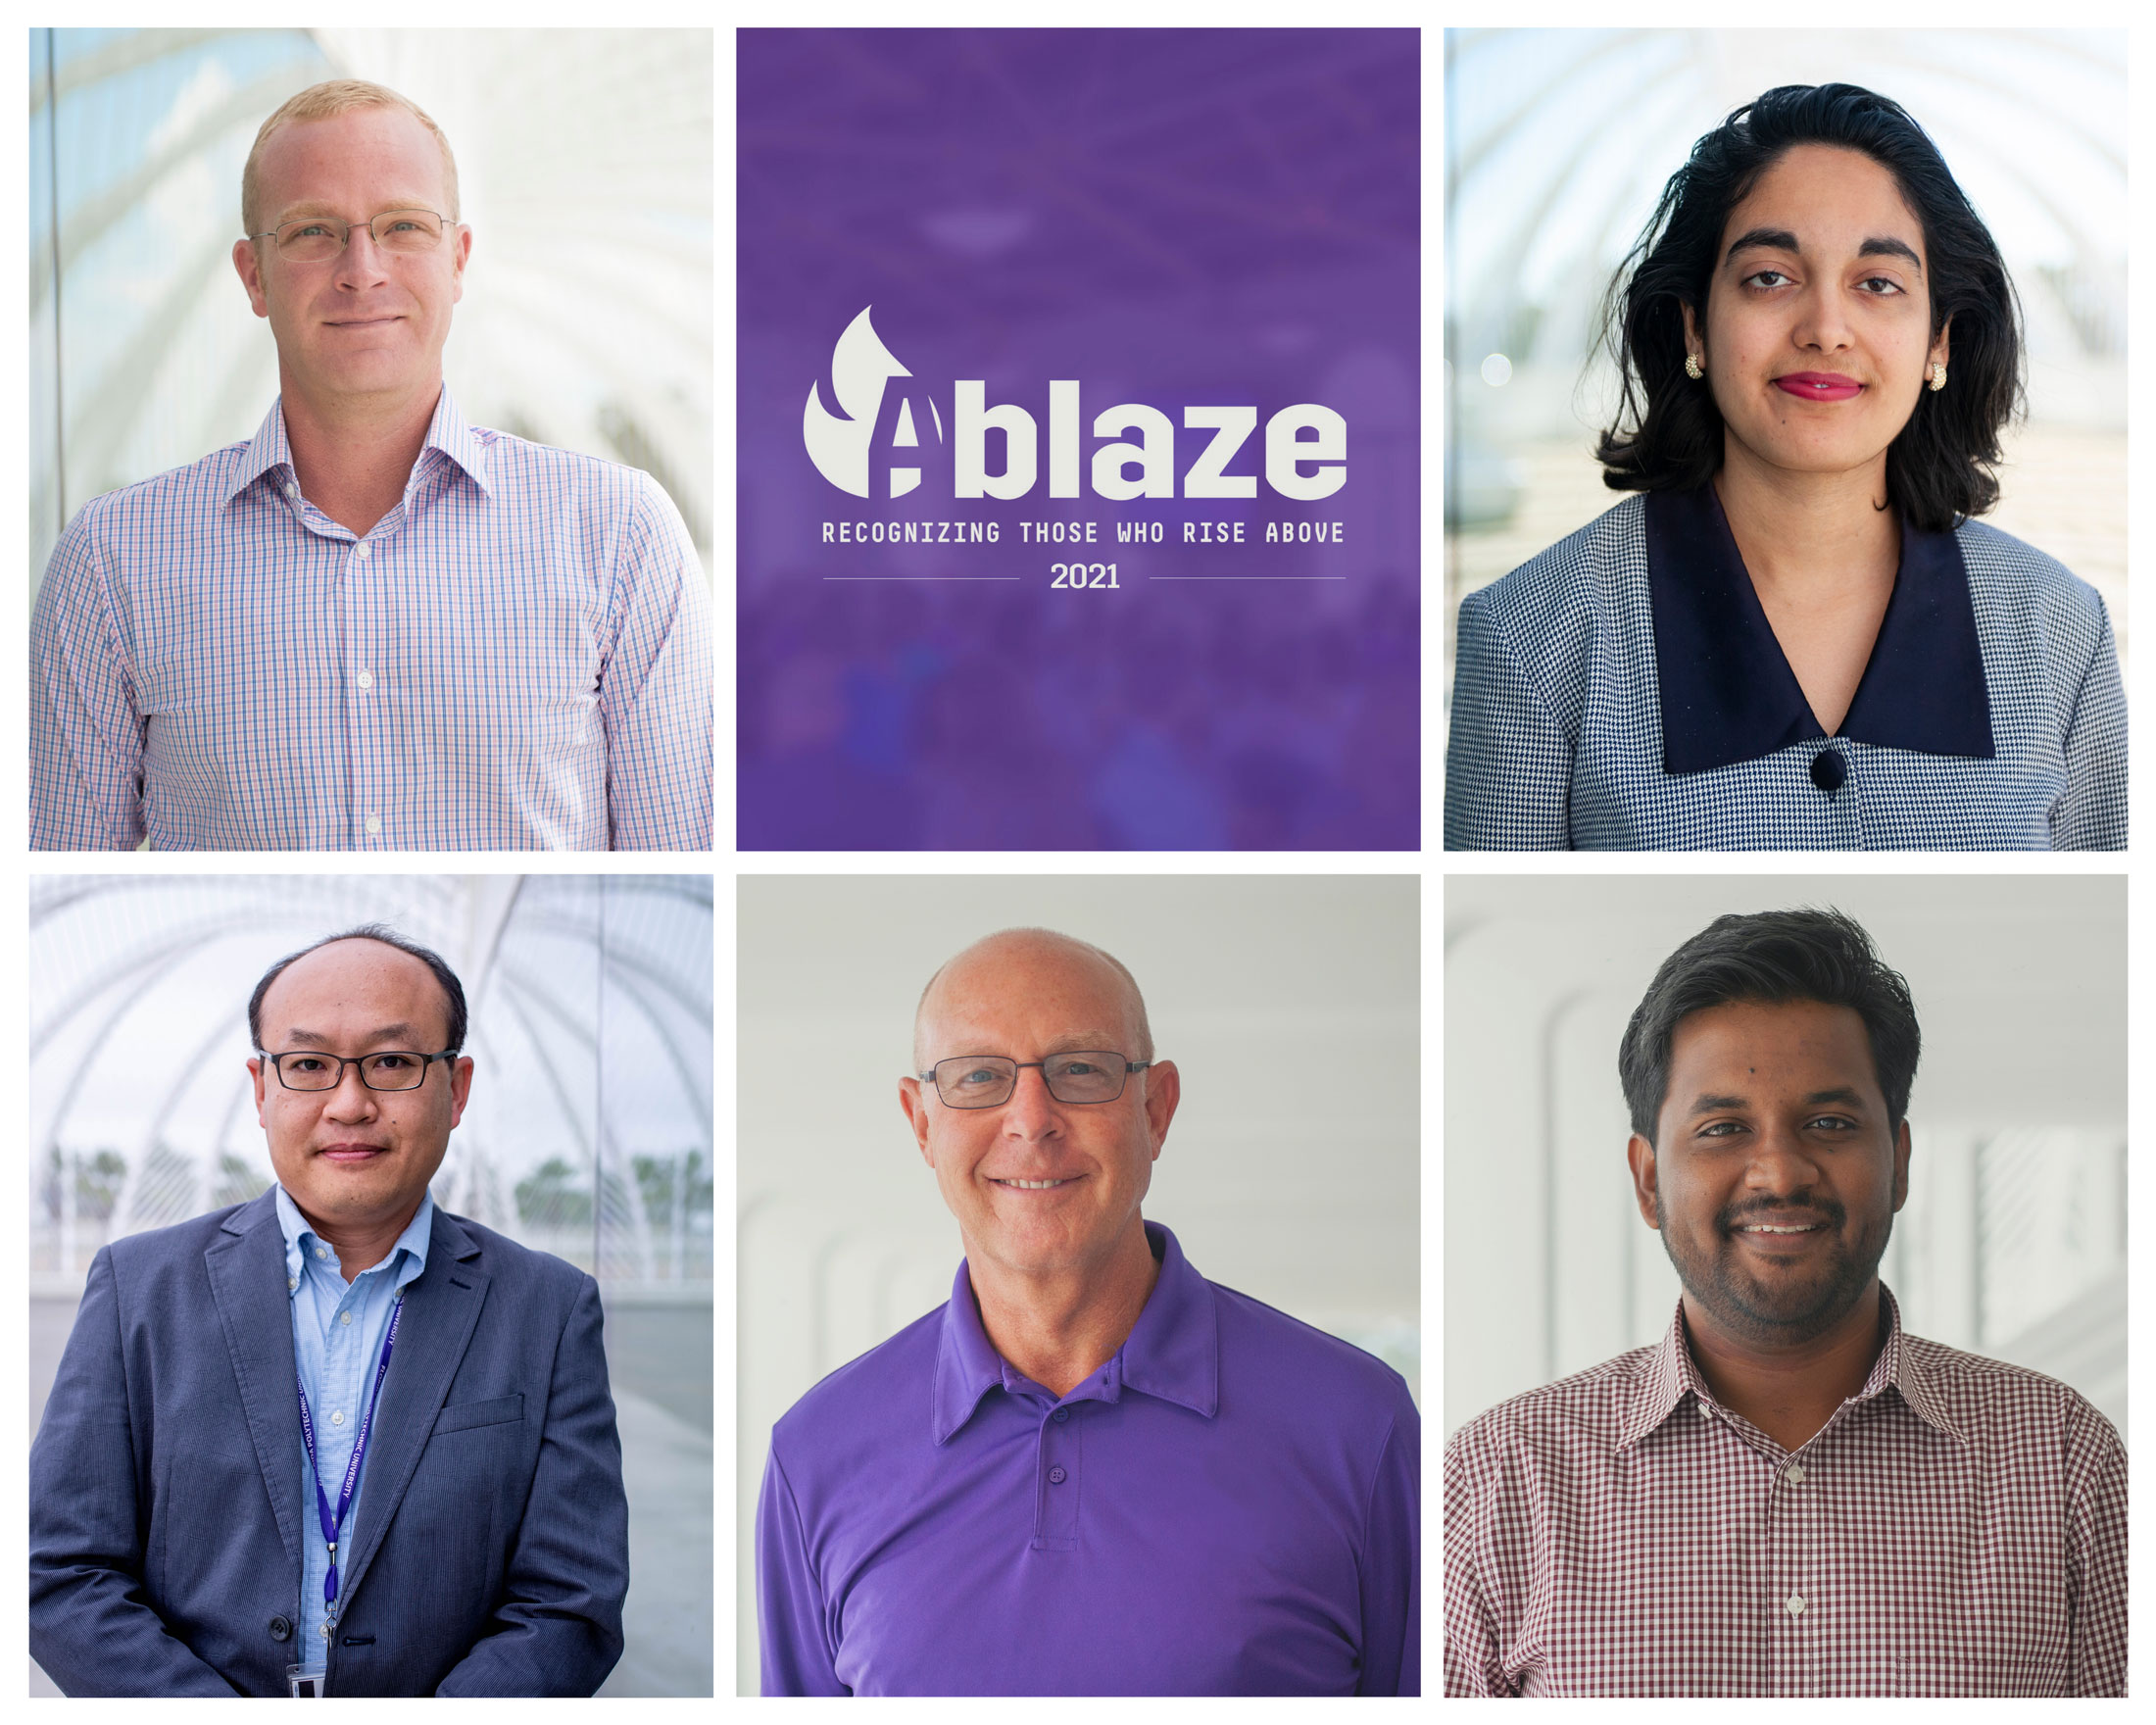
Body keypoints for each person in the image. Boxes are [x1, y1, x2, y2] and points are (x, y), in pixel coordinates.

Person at [1444, 909, 2127, 1697]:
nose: (1778, 1172)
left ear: (1899, 1162)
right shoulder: (1501, 1478)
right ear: (1648, 1180)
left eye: (1830, 1123)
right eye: (1724, 1127)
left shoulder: (2064, 1461)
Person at [28, 78, 710, 851]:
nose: (362, 268)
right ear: (253, 275)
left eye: (403, 226)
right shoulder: (111, 563)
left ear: (457, 260)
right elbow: (53, 906)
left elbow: (681, 882)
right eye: (314, 231)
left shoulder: (620, 535)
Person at [1445, 84, 2126, 851]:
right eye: (1770, 276)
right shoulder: (1530, 638)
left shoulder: (2062, 630)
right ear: (1695, 324)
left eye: (1878, 284)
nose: (1827, 330)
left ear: (1940, 340)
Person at [755, 928, 1420, 1696]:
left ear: (1157, 1108)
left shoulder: (1358, 1428)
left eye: (1081, 1070)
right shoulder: (814, 1456)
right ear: (921, 1124)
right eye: (978, 1077)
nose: (1032, 1119)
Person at [29, 927, 629, 1697]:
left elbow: (570, 1602)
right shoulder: (139, 1288)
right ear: (261, 1088)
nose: (350, 1104)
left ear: (458, 1089)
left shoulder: (548, 1308)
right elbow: (57, 1566)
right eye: (309, 1064)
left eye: (392, 1063)